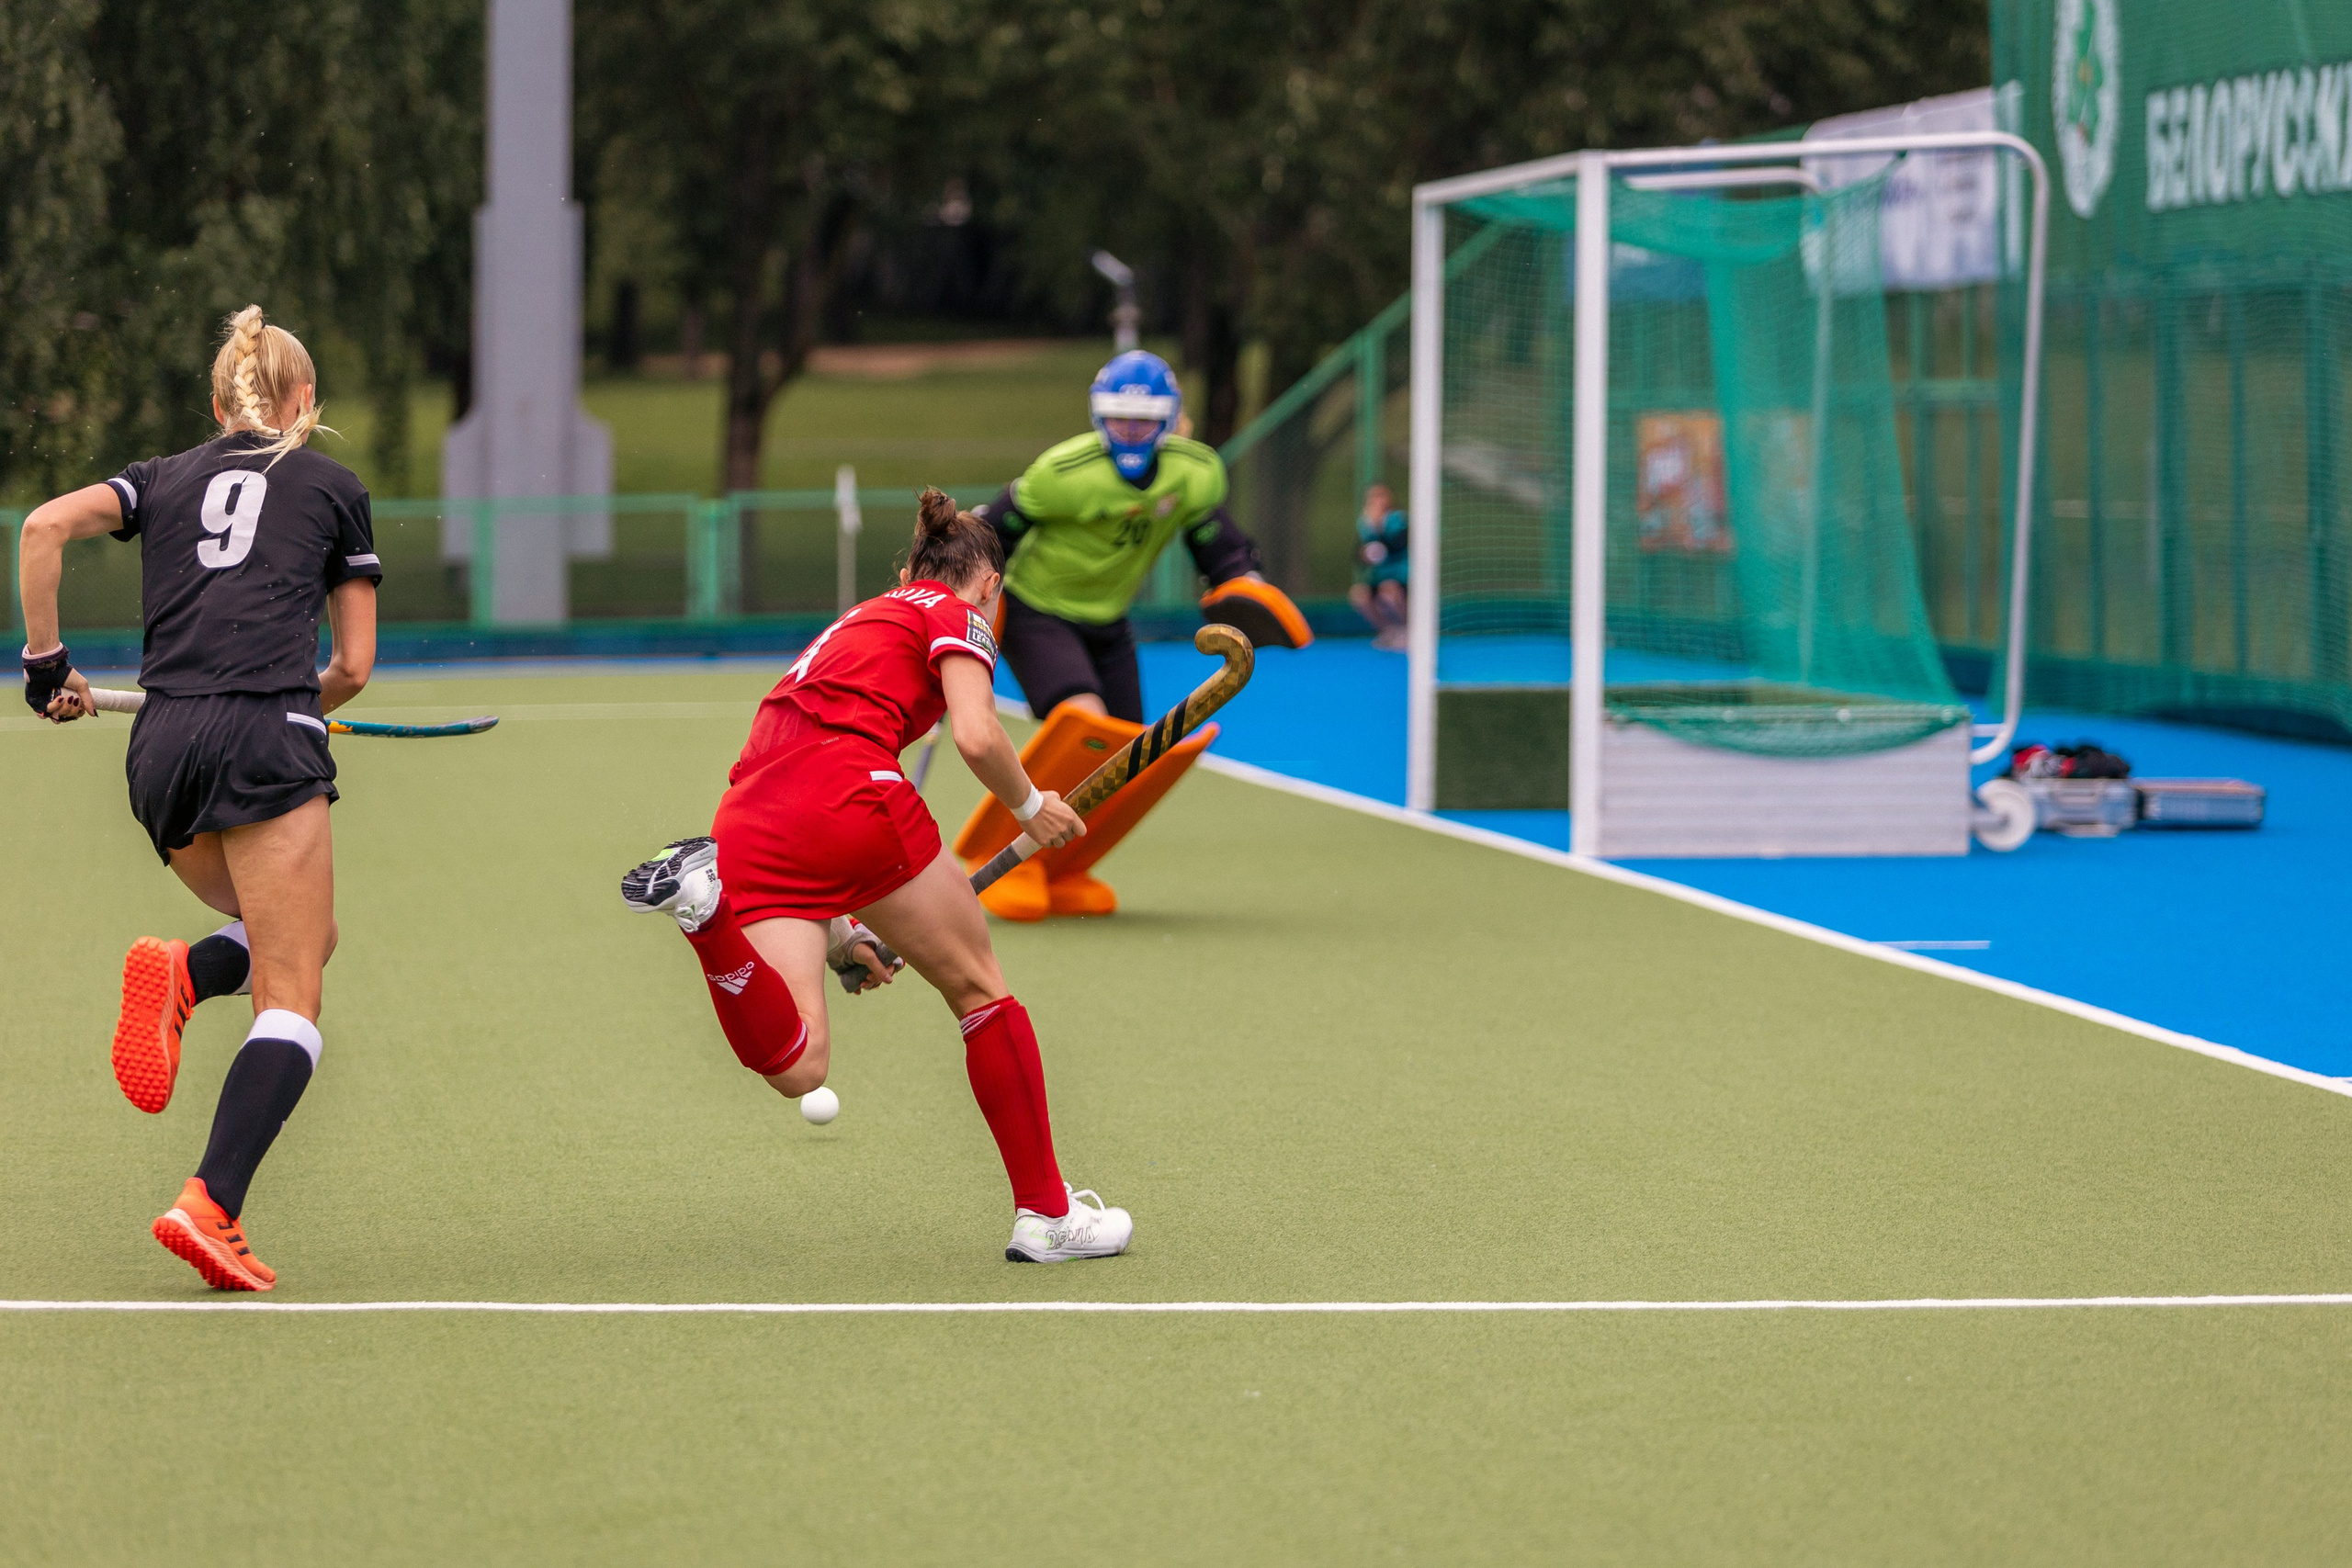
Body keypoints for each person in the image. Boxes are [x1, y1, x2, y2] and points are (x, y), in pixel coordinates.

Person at [619, 488, 1135, 1263]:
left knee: (798, 1062)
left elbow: (800, 775)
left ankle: (705, 911)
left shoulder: (864, 615)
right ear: (990, 585)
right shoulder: (955, 611)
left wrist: (840, 928)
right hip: (849, 792)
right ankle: (1047, 1214)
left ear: (909, 565)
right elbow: (974, 730)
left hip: (752, 814)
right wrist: (1032, 806)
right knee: (979, 990)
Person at [18, 306, 380, 1292]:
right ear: (304, 402)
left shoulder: (160, 478)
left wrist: (48, 666)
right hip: (264, 742)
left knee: (308, 934)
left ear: (220, 403)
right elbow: (350, 664)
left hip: (160, 751)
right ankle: (209, 1204)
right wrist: (299, 706)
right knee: (295, 998)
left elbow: (44, 525)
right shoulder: (332, 486)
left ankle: (184, 974)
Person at [956, 349, 1312, 921]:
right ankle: (998, 859)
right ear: (1100, 416)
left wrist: (1244, 580)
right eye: (1119, 416)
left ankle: (1063, 867)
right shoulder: (1061, 475)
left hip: (1108, 620)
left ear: (1169, 420)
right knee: (1086, 720)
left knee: (1127, 755)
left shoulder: (1191, 474)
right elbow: (991, 535)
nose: (1131, 429)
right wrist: (964, 602)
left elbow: (1216, 544)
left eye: (1144, 419)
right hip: (1037, 612)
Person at [1349, 483, 1409, 651]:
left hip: (1402, 577)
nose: (1377, 501)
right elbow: (1359, 555)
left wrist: (1378, 529)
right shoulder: (1365, 522)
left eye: (1381, 496)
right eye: (1373, 497)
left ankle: (1408, 630)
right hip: (1379, 577)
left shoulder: (1399, 519)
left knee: (1388, 592)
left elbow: (1397, 545)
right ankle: (1388, 631)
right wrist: (1365, 555)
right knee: (1358, 595)